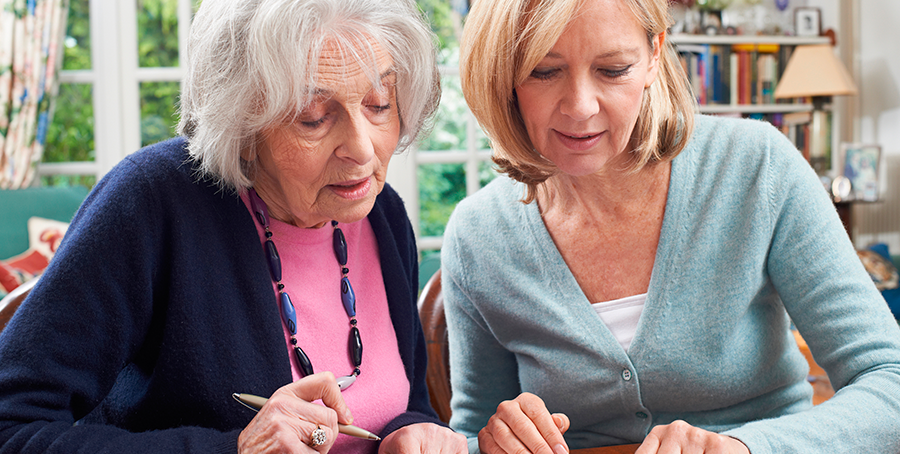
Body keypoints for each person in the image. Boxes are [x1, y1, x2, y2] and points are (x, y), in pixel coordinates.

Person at [0, 0, 468, 453]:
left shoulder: (380, 213)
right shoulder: (152, 202)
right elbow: (11, 426)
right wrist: (238, 449)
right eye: (313, 118)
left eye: (380, 104)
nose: (363, 149)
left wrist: (416, 431)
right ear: (243, 125)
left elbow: (408, 407)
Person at [441, 0, 900, 452]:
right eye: (544, 71)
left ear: (654, 56)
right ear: (504, 75)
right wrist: (496, 439)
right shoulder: (478, 234)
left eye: (614, 69)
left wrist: (743, 446)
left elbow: (889, 382)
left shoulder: (756, 167)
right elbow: (470, 431)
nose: (580, 107)